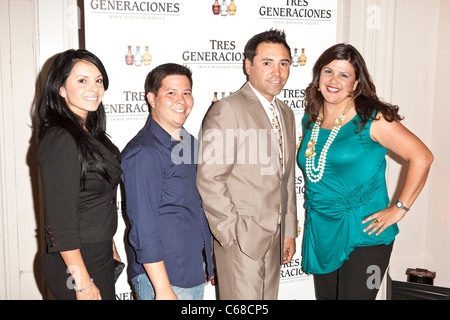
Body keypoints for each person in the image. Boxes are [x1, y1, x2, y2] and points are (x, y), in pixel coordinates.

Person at [297, 43, 434, 300]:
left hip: (366, 235)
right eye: (328, 71)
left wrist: (399, 208)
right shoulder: (311, 119)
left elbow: (422, 157)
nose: (334, 80)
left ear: (356, 84)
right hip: (323, 231)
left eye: (344, 74)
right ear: (318, 77)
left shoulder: (373, 118)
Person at [196, 29, 298, 300]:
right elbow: (210, 178)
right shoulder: (228, 109)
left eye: (284, 63)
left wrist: (288, 231)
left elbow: (285, 178)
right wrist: (233, 235)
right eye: (267, 63)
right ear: (248, 65)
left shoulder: (286, 113)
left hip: (274, 238)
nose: (277, 71)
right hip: (242, 240)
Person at [121, 63, 214, 300]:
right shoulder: (143, 152)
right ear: (151, 99)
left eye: (186, 92)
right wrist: (162, 289)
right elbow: (143, 227)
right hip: (163, 280)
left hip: (191, 270)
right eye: (170, 93)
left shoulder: (190, 143)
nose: (181, 100)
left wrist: (208, 263)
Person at [37, 49, 122, 300]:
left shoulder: (91, 134)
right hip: (75, 261)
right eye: (82, 80)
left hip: (99, 253)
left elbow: (96, 199)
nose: (94, 88)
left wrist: (111, 245)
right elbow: (60, 221)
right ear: (60, 88)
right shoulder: (60, 139)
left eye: (98, 80)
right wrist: (81, 281)